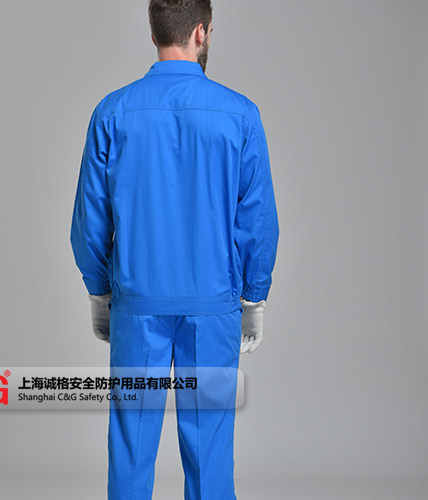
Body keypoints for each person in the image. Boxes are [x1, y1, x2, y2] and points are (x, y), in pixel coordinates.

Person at [70, 1, 279, 498]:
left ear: (153, 32)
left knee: (131, 447)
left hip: (137, 302)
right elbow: (257, 221)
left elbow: (89, 221)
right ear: (201, 32)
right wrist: (254, 297)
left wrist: (99, 292)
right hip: (212, 305)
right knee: (210, 452)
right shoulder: (240, 115)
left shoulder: (113, 112)